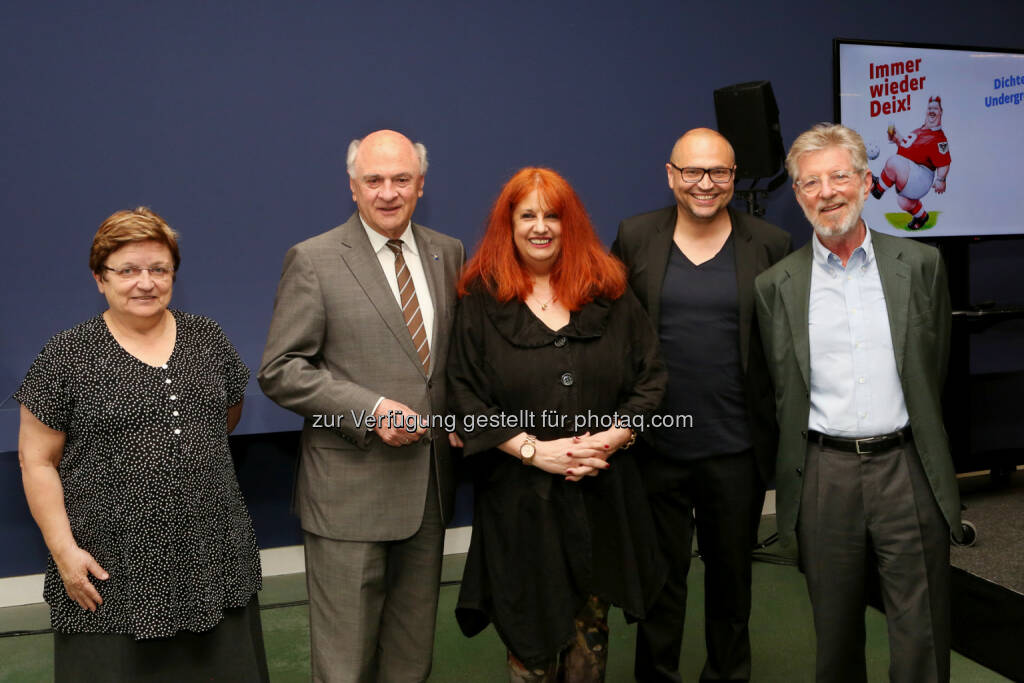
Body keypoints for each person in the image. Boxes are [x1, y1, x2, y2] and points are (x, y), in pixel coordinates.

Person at [16, 207, 267, 682]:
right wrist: (65, 551)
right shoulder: (64, 357)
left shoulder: (207, 338)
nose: (145, 282)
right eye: (128, 270)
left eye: (159, 269)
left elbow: (224, 417)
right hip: (112, 573)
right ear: (99, 279)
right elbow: (36, 460)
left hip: (213, 561)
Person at [755, 123, 961, 682]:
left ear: (867, 182)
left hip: (907, 466)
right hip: (824, 472)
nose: (827, 192)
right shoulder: (775, 286)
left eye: (839, 176)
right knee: (835, 631)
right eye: (810, 183)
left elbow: (933, 367)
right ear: (796, 197)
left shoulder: (921, 265)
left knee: (922, 629)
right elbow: (774, 388)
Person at [258, 129, 464, 683]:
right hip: (348, 495)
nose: (388, 192)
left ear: (421, 185)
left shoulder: (450, 253)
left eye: (401, 179)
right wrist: (369, 409)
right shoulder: (315, 259)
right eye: (374, 180)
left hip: (428, 491)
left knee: (410, 660)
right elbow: (280, 371)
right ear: (353, 187)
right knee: (345, 666)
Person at [447, 166, 668, 682]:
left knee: (590, 647)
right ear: (509, 224)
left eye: (553, 215)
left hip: (598, 499)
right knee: (531, 644)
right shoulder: (480, 301)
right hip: (519, 508)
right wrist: (532, 450)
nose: (540, 226)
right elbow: (464, 393)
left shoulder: (609, 292)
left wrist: (612, 439)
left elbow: (651, 379)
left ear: (572, 224)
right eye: (528, 215)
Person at [612, 128, 790, 683]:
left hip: (735, 450)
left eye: (719, 173)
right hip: (656, 446)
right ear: (671, 175)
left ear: (734, 178)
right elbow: (612, 333)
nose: (705, 184)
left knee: (731, 582)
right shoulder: (636, 237)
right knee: (660, 583)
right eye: (693, 172)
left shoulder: (771, 243)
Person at [870, 96, 951, 230]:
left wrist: (941, 179)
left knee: (894, 162)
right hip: (913, 174)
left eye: (935, 108)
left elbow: (944, 161)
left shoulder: (938, 137)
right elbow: (909, 151)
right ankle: (922, 216)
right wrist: (896, 138)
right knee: (904, 202)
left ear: (941, 112)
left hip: (921, 176)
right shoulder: (921, 130)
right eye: (929, 108)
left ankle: (878, 189)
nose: (931, 111)